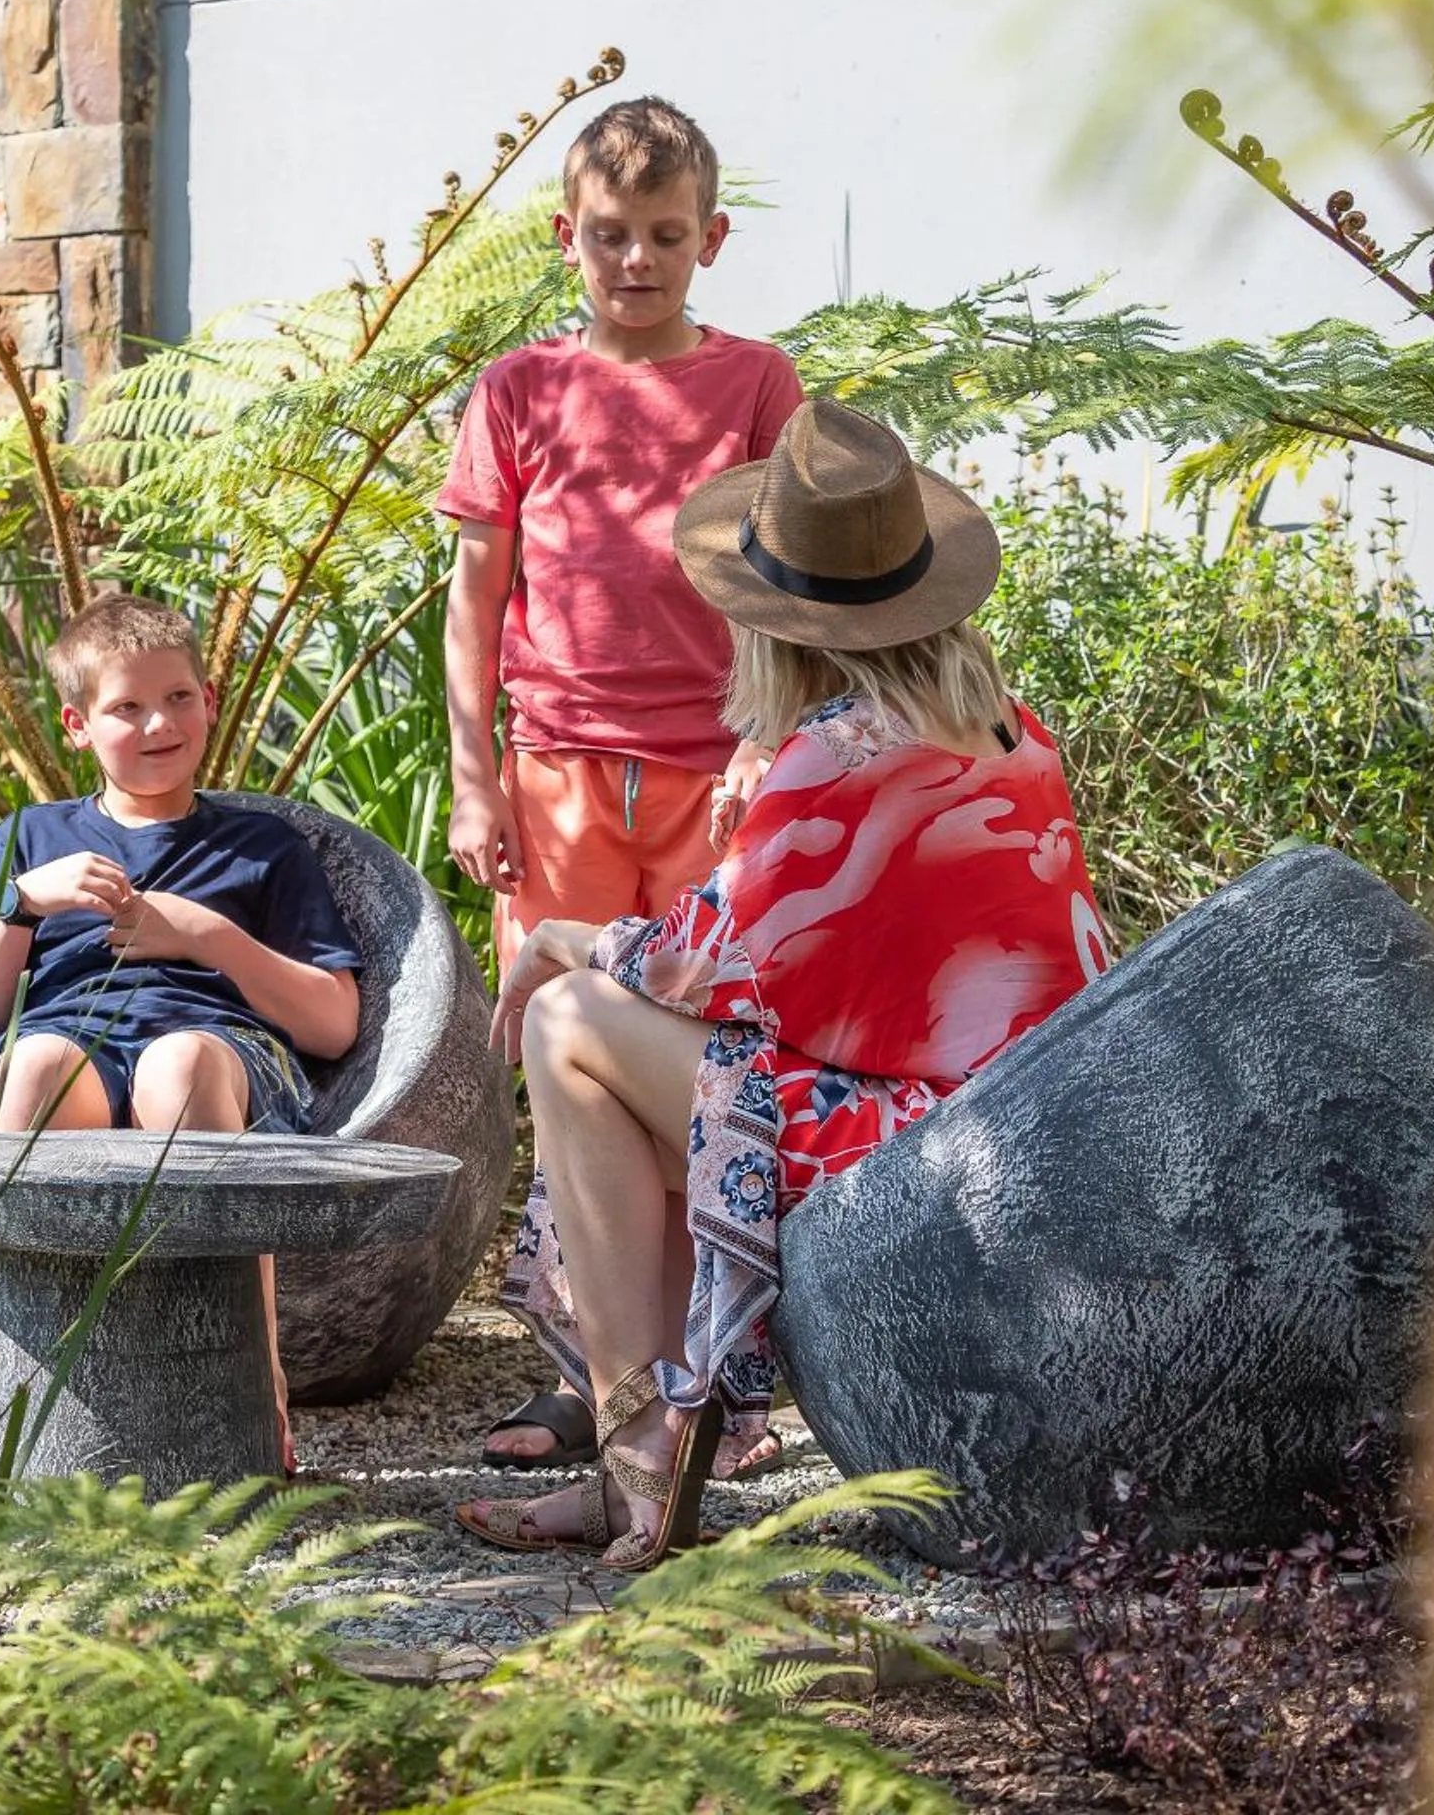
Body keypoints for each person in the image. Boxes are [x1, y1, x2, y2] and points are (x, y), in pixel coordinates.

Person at [455, 399, 1115, 1568]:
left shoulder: (839, 751)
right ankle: (645, 1454)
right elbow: (812, 978)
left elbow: (706, 971)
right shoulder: (1016, 731)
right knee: (627, 1077)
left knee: (567, 1022)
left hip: (922, 1157)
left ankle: (638, 1459)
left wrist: (556, 934)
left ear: (780, 624)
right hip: (1031, 1133)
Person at [439, 94, 805, 1473]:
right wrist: (476, 784)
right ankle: (587, 1380)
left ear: (709, 238)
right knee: (561, 1067)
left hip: (715, 777)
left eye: (663, 234)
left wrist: (769, 744)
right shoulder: (519, 391)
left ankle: (724, 1379)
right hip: (556, 780)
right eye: (609, 236)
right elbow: (476, 602)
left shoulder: (759, 384)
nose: (635, 260)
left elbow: (790, 588)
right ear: (565, 240)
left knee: (705, 1078)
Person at [0, 591, 365, 1468]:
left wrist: (205, 935)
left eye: (176, 697)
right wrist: (22, 907)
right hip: (63, 1038)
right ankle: (24, 1395)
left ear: (208, 700)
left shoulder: (261, 849)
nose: (157, 723)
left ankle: (253, 1386)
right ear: (77, 725)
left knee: (178, 1066)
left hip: (217, 1052)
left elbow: (331, 1024)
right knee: (36, 1067)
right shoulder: (29, 839)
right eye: (126, 707)